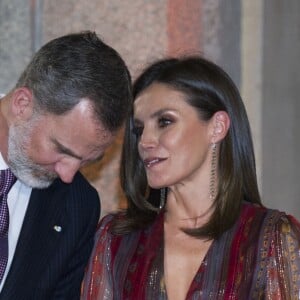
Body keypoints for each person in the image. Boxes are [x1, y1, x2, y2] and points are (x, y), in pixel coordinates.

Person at [81, 56, 300, 299]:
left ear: (217, 127)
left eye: (165, 122)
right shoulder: (115, 239)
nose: (145, 142)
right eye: (139, 129)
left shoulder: (270, 237)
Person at [0, 31, 131, 299]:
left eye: (87, 161)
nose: (69, 174)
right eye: (61, 150)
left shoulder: (78, 207)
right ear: (22, 104)